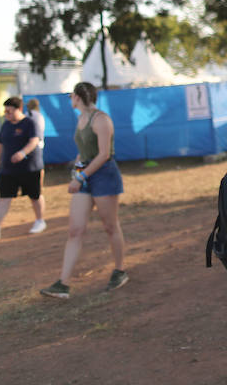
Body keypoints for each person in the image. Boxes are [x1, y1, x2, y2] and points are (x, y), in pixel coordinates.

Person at [40, 82, 128, 299]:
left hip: (104, 175)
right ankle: (63, 283)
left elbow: (104, 155)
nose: (70, 99)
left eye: (72, 96)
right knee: (75, 230)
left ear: (78, 97)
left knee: (110, 226)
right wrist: (77, 169)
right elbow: (84, 152)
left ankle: (119, 270)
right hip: (86, 174)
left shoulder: (101, 120)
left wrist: (80, 176)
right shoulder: (80, 119)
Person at [0, 97, 46, 239]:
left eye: (9, 111)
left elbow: (34, 141)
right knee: (4, 197)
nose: (7, 114)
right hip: (8, 169)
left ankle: (40, 220)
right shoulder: (6, 125)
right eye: (5, 111)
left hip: (30, 168)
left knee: (35, 195)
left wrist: (22, 153)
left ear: (19, 109)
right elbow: (0, 144)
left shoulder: (30, 123)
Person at [27, 98, 47, 192]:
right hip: (38, 143)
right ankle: (39, 185)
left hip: (30, 144)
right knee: (39, 166)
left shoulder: (27, 115)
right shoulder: (39, 115)